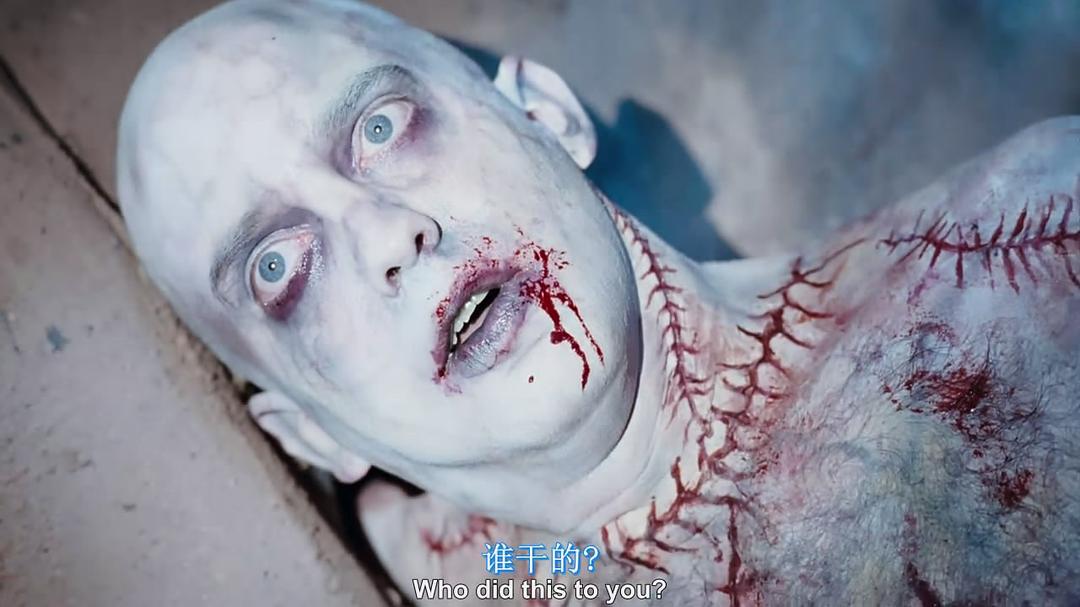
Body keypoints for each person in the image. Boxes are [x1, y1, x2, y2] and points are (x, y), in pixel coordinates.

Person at [117, 1, 1080, 604]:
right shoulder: (485, 577)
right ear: (311, 435)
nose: (385, 235)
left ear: (546, 115)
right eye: (278, 269)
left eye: (380, 126)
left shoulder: (1036, 264)